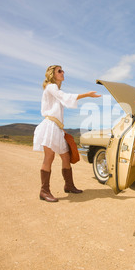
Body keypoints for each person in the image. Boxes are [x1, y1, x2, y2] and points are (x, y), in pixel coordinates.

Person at [33, 65, 100, 202]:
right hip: (49, 126)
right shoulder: (51, 87)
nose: (63, 73)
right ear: (52, 74)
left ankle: (69, 185)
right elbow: (66, 97)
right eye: (59, 71)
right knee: (49, 158)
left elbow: (62, 103)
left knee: (65, 156)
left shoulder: (56, 90)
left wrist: (61, 128)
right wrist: (86, 95)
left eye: (63, 70)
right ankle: (44, 191)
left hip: (56, 127)